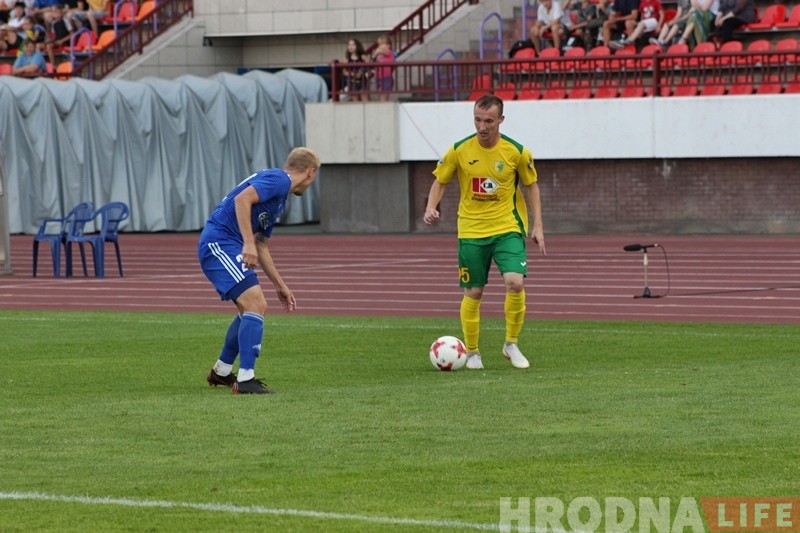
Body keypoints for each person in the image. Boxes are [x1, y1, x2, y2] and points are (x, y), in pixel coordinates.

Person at [423, 94, 546, 370]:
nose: (482, 127)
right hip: (471, 230)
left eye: (488, 121)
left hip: (507, 227)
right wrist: (431, 206)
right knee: (474, 291)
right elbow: (440, 180)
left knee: (515, 282)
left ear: (501, 119)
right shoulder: (460, 150)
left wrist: (537, 225)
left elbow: (532, 186)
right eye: (477, 120)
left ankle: (511, 344)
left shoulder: (516, 152)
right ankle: (473, 352)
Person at [200, 147, 321, 395]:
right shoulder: (280, 179)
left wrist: (280, 285)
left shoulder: (279, 198)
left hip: (227, 243)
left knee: (250, 307)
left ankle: (222, 371)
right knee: (256, 303)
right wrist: (246, 243)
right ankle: (246, 379)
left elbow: (261, 245)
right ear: (310, 172)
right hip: (219, 242)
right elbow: (241, 200)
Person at [342, 37, 369, 102]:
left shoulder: (362, 57)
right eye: (349, 45)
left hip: (363, 81)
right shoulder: (347, 59)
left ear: (358, 46)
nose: (350, 47)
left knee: (365, 98)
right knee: (355, 99)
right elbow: (344, 72)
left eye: (353, 45)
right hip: (352, 81)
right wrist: (351, 74)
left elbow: (369, 66)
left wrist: (366, 60)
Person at [371, 34, 394, 102]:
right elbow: (373, 60)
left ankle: (384, 105)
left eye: (382, 44)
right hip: (378, 76)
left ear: (388, 45)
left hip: (386, 77)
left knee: (383, 94)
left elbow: (386, 53)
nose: (380, 46)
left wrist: (378, 51)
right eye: (379, 44)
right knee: (380, 93)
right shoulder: (379, 55)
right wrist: (374, 55)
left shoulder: (389, 52)